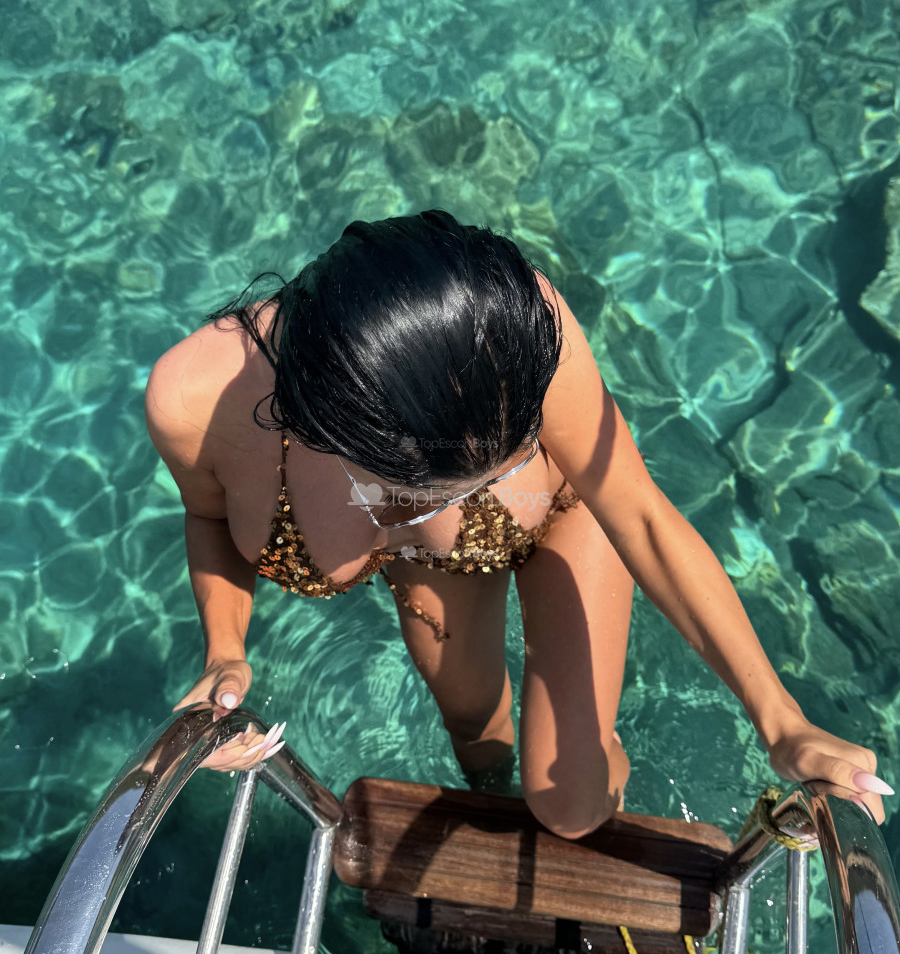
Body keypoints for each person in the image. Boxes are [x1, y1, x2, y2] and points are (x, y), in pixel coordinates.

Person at [145, 209, 890, 833]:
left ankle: (599, 761)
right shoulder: (191, 403)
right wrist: (224, 653)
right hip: (425, 569)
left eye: (499, 469)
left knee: (570, 806)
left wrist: (781, 721)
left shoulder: (507, 325)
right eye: (423, 495)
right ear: (323, 427)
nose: (455, 506)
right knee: (476, 737)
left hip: (560, 518)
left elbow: (638, 513)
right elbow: (208, 516)